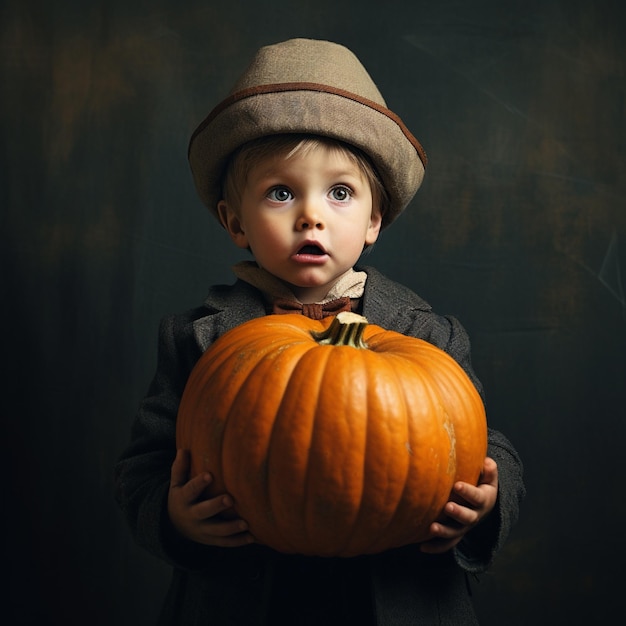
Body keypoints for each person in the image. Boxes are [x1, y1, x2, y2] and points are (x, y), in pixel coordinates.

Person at [115, 38, 525, 625]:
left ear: (373, 221)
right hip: (249, 600)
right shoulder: (198, 339)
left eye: (340, 193)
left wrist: (487, 503)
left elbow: (490, 448)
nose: (312, 215)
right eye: (281, 193)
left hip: (394, 597)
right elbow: (142, 467)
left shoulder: (426, 335)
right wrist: (174, 517)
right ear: (236, 223)